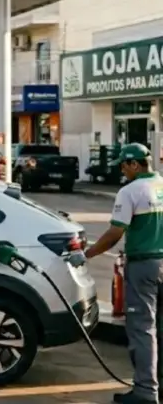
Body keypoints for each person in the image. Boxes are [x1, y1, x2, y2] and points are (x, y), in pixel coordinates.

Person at [84, 143, 163, 404]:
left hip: (144, 265)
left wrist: (87, 254)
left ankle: (145, 391)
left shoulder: (131, 191)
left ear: (135, 164)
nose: (122, 170)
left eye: (124, 165)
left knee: (142, 328)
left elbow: (114, 233)